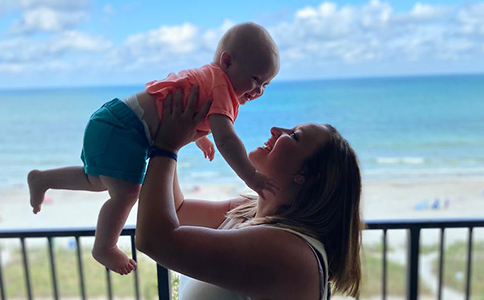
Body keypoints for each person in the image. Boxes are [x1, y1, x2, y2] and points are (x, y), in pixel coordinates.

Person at [27, 22, 280, 275]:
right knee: (126, 194)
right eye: (255, 79)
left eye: (266, 84)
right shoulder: (222, 87)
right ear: (227, 62)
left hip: (114, 119)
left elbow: (186, 114)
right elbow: (227, 139)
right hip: (127, 127)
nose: (258, 91)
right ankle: (105, 246)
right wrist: (251, 176)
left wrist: (198, 137)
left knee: (97, 180)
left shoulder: (212, 79)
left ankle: (43, 178)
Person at [136, 87, 363, 299]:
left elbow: (154, 239)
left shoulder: (287, 251)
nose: (276, 130)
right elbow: (177, 211)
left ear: (308, 178)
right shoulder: (245, 211)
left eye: (294, 135)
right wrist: (171, 135)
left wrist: (166, 148)